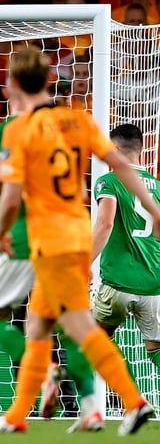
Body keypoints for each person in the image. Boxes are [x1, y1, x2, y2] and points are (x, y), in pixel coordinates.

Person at [0, 47, 157, 436]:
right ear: (48, 79)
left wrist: (1, 230)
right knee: (38, 327)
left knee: (79, 326)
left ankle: (134, 401)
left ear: (12, 86)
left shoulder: (21, 130)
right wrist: (154, 211)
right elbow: (124, 166)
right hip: (77, 232)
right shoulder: (80, 121)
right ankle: (16, 416)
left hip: (51, 240)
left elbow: (8, 196)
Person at [0, 108, 101, 432]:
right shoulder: (66, 146)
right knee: (65, 327)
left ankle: (41, 386)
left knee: (1, 318)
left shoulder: (11, 144)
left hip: (24, 245)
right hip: (65, 245)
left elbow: (2, 188)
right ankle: (87, 405)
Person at [92, 124, 160, 370]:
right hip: (153, 282)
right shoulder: (157, 186)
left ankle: (135, 404)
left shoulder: (109, 181)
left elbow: (105, 223)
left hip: (118, 282)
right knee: (156, 347)